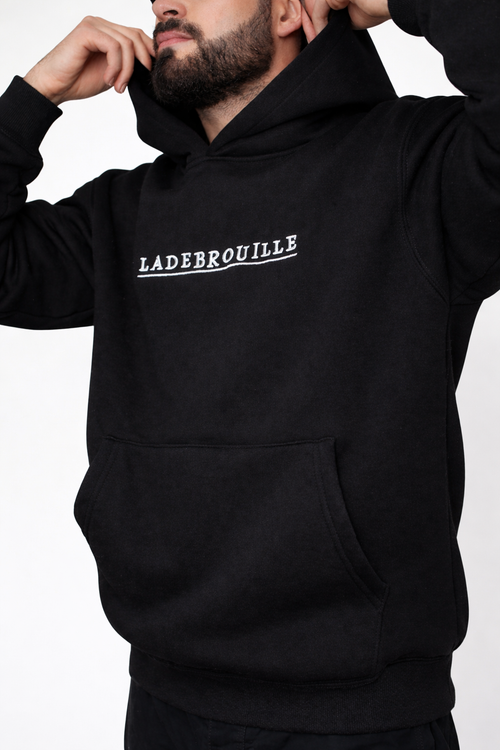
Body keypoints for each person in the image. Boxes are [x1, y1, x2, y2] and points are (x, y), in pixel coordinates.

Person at [0, 0, 498, 747]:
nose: (164, 2)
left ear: (292, 9)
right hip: (163, 705)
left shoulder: (416, 165)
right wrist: (31, 97)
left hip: (358, 724)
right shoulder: (125, 211)